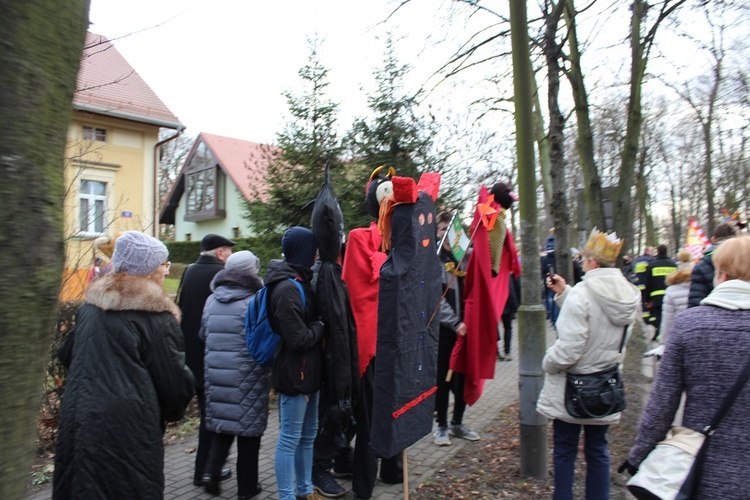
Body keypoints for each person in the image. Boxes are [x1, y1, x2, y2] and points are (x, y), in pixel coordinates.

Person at [53, 231, 194, 499]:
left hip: (79, 419)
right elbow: (175, 386)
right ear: (148, 269)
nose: (166, 271)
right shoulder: (157, 320)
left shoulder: (89, 310)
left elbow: (66, 354)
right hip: (128, 429)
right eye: (164, 264)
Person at [622, 235, 750, 498]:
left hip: (703, 469)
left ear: (722, 274)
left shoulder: (690, 325)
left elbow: (662, 403)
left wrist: (639, 455)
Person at [536, 228, 640, 500]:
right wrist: (565, 293)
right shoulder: (628, 294)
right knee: (598, 450)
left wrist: (548, 362)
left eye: (582, 259)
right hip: (605, 385)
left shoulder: (583, 294)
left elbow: (569, 349)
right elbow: (602, 321)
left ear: (593, 262)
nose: (581, 264)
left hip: (574, 388)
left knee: (565, 452)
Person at [199, 251, 267, 498]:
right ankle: (247, 489)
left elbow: (203, 335)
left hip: (216, 373)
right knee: (248, 435)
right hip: (247, 375)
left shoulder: (211, 300)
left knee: (221, 427)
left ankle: (210, 473)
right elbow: (262, 340)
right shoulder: (256, 300)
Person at [267, 227, 327, 500]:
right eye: (313, 248)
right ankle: (286, 495)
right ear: (303, 250)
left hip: (309, 372)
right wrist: (321, 326)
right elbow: (297, 338)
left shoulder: (300, 282)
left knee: (308, 436)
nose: (317, 253)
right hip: (295, 374)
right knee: (290, 438)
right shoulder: (287, 288)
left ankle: (304, 491)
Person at [177, 233, 236, 486]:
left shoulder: (189, 271)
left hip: (191, 357)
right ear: (220, 252)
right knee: (214, 418)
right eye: (229, 251)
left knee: (206, 415)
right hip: (215, 357)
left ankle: (205, 468)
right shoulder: (221, 275)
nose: (231, 256)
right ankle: (206, 470)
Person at [434, 211, 480, 446]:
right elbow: (435, 298)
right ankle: (441, 425)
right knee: (442, 380)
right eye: (442, 230)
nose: (446, 235)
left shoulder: (467, 258)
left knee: (461, 379)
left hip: (466, 331)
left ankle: (457, 423)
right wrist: (455, 323)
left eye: (450, 231)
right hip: (445, 332)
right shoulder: (434, 261)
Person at [688, 222, 738, 308]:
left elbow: (695, 302)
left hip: (709, 317)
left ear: (713, 239)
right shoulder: (744, 262)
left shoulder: (701, 266)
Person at [658, 249, 694, 343]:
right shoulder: (701, 283)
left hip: (679, 336)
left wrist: (663, 342)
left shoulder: (671, 290)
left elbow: (667, 320)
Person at [645, 244, 677, 340]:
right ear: (666, 251)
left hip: (656, 296)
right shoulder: (673, 264)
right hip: (670, 294)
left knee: (658, 317)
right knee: (669, 316)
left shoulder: (652, 264)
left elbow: (648, 283)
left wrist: (647, 299)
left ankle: (658, 334)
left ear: (657, 252)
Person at [499, 271, 520, 361]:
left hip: (497, 306)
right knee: (508, 328)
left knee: (494, 329)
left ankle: (496, 352)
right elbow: (512, 291)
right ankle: (507, 351)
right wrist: (516, 307)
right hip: (506, 306)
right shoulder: (507, 275)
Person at [541, 234, 559, 325]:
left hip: (547, 278)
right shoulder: (556, 246)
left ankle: (550, 314)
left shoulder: (545, 255)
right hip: (556, 276)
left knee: (549, 296)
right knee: (555, 297)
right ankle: (555, 317)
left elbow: (543, 269)